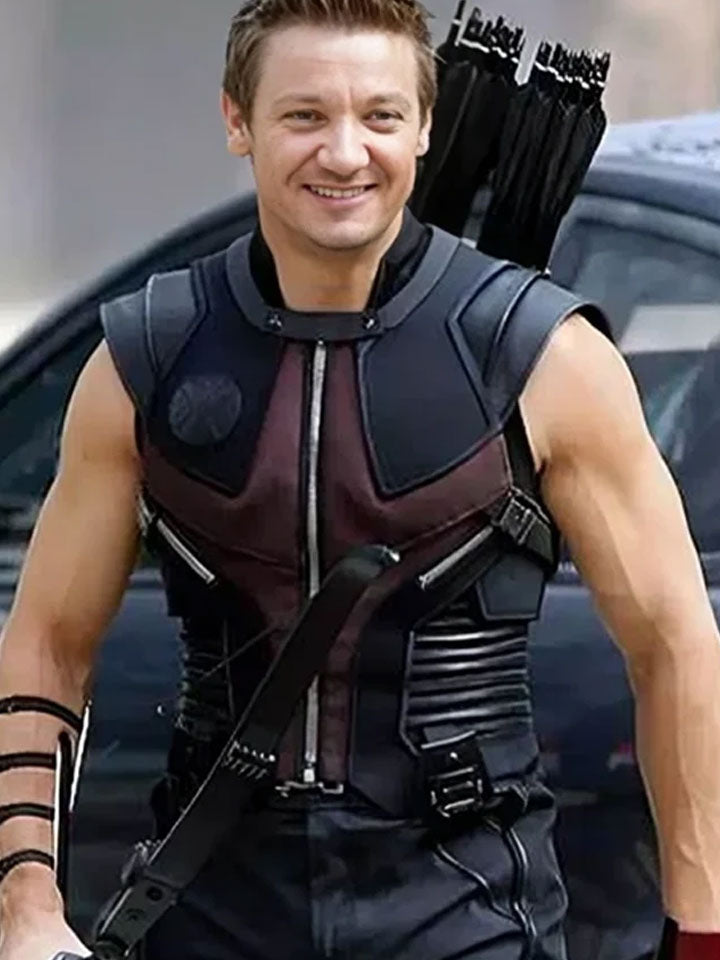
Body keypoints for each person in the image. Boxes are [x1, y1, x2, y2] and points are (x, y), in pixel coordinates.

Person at [1, 1, 719, 958]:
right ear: (236, 121)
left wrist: (702, 934)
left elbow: (676, 644)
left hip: (466, 912)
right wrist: (27, 904)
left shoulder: (545, 359)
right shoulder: (149, 356)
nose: (345, 153)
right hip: (210, 910)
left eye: (380, 116)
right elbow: (47, 644)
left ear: (425, 126)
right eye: (305, 115)